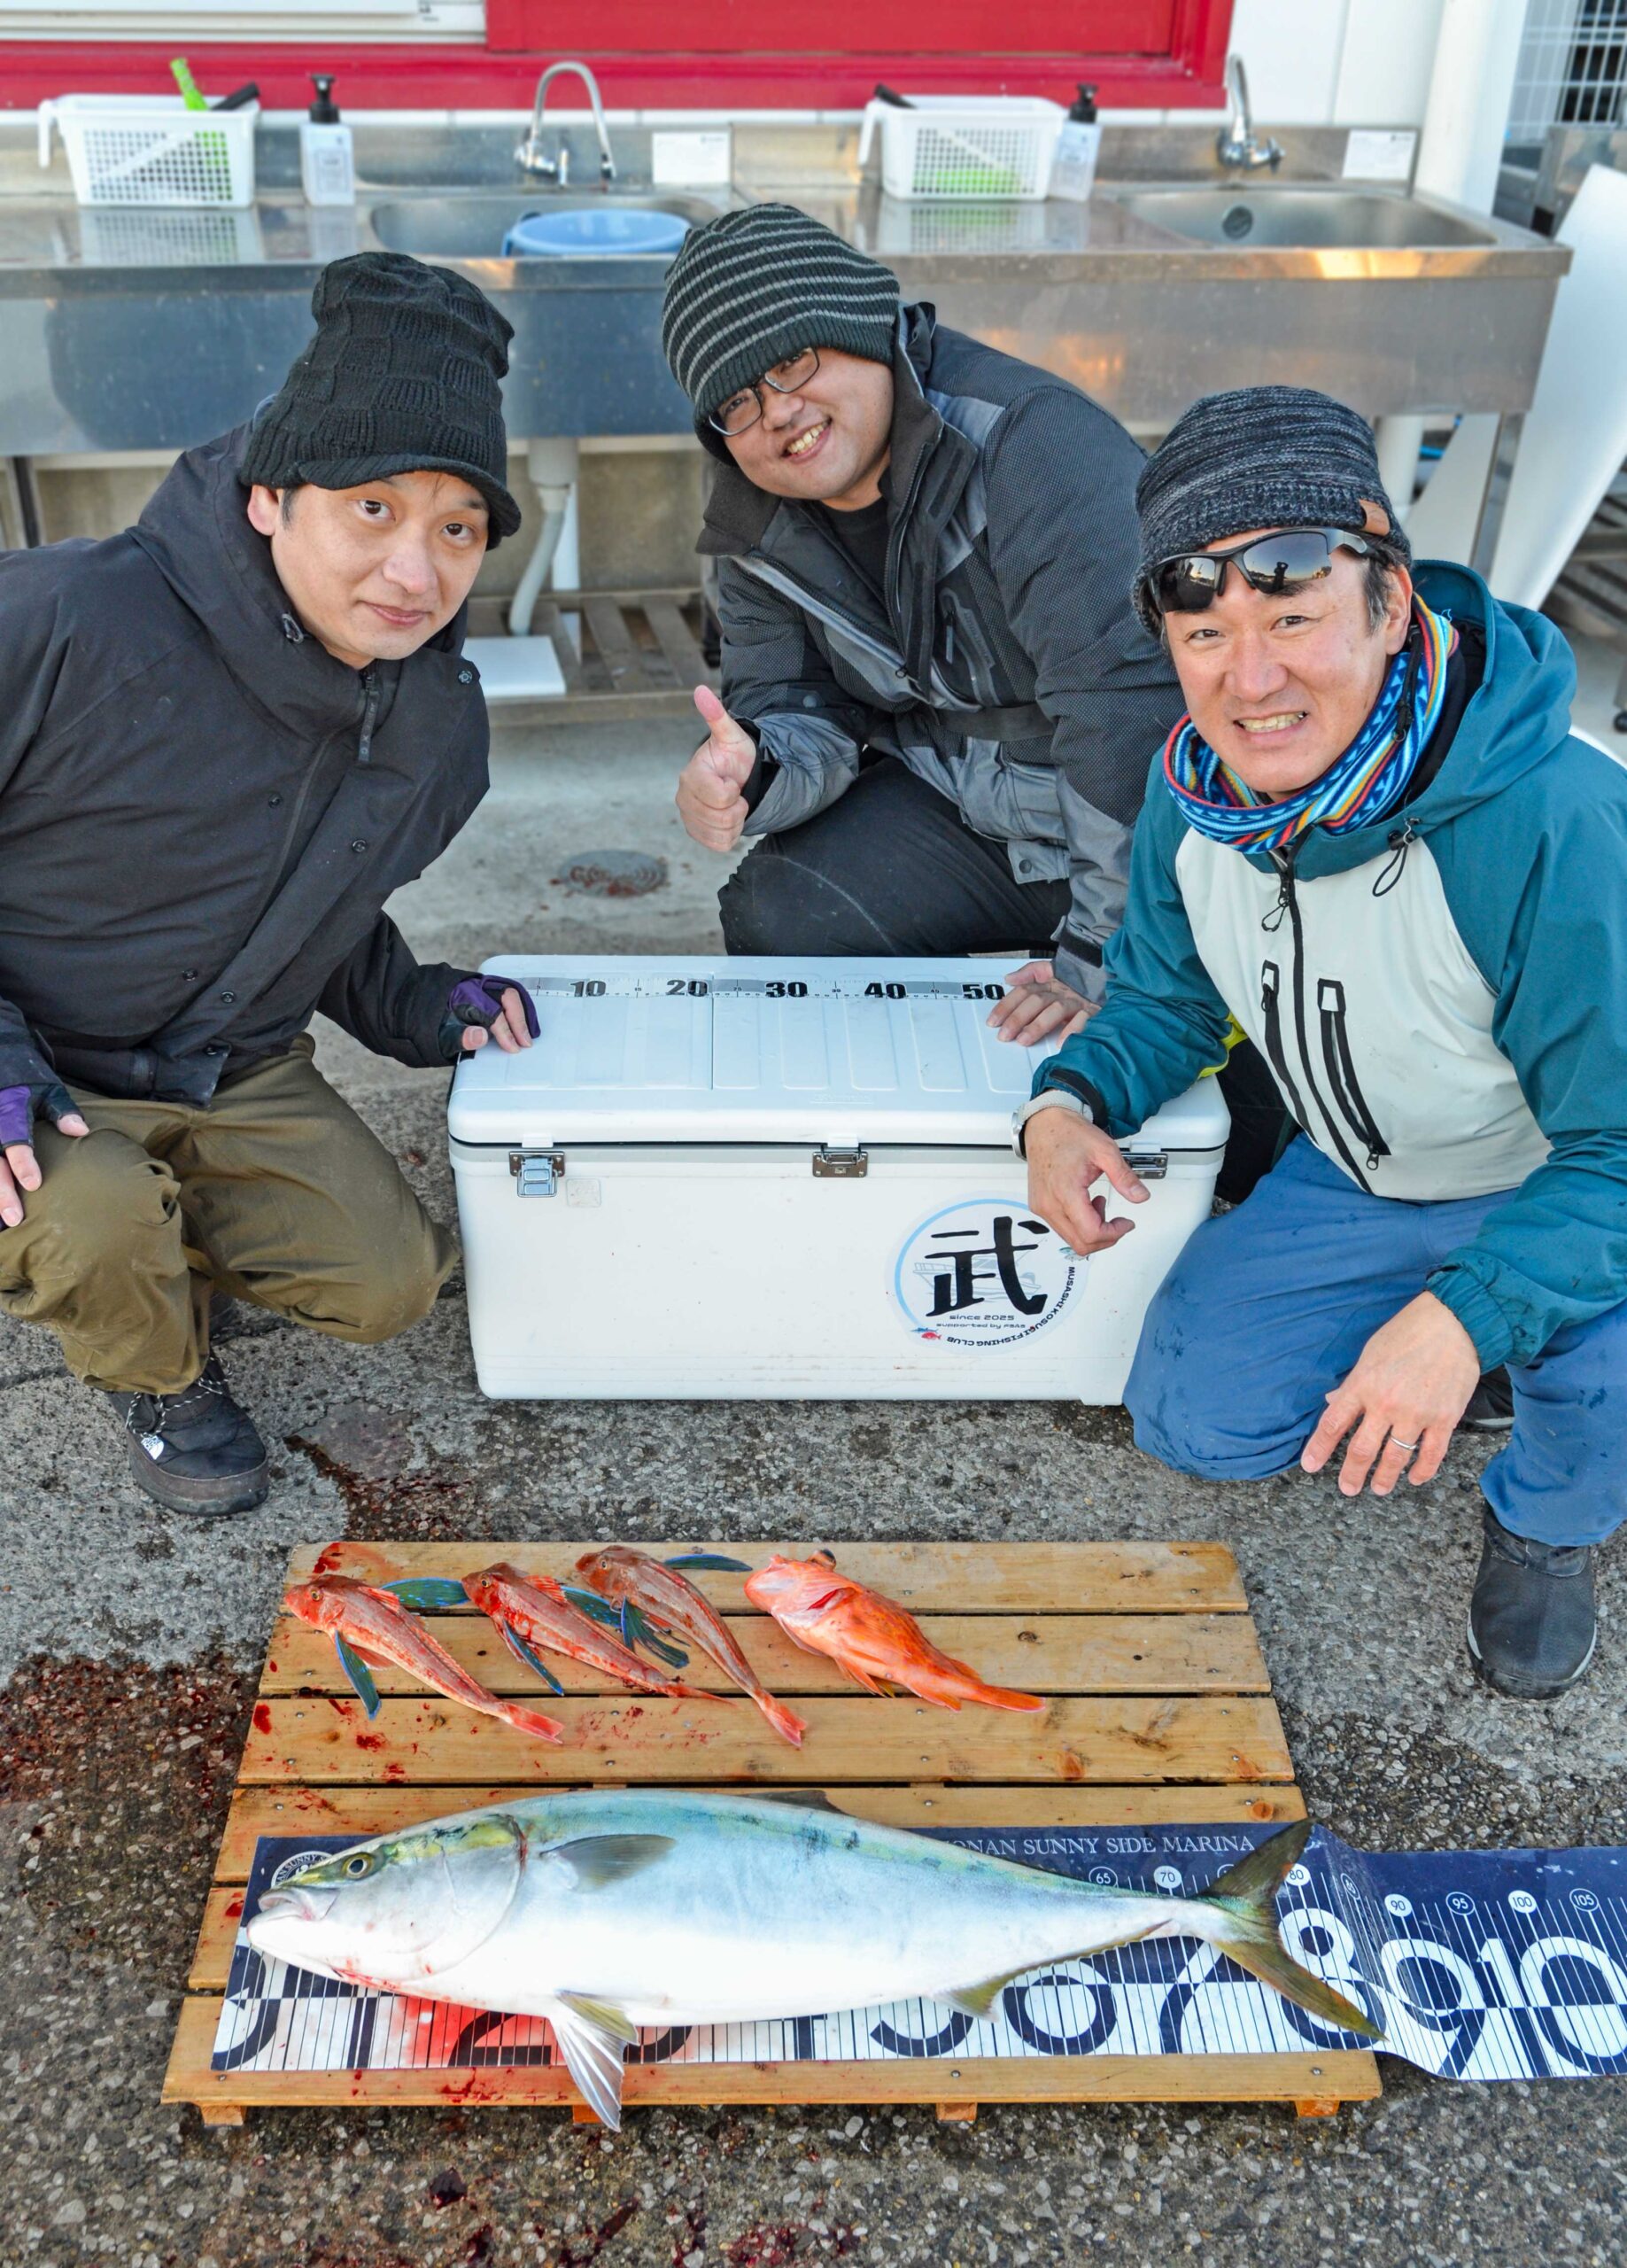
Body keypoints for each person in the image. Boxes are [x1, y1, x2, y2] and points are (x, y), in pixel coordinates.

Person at [1019, 384, 1626, 1700]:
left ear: (1391, 603)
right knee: (1199, 1422)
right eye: (1206, 633)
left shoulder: (1558, 820)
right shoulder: (1197, 797)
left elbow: (1619, 1149)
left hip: (1565, 1178)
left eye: (1292, 618)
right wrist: (1065, 1105)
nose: (1251, 681)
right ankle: (1486, 1341)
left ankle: (1549, 1516)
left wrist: (1459, 1317)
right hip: (1359, 1173)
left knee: (1598, 1368)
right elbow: (1167, 1000)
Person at [0, 252, 536, 1518]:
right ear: (268, 496)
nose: (415, 572)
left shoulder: (436, 721)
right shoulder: (65, 618)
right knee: (95, 1220)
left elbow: (319, 906)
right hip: (38, 1069)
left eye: (456, 528)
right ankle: (153, 1369)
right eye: (372, 508)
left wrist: (423, 1004)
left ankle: (151, 1238)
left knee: (388, 1282)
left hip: (223, 1064)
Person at [659, 201, 1188, 1053]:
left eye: (792, 362)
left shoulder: (1030, 446)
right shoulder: (753, 524)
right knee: (781, 912)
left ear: (865, 327)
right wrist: (751, 771)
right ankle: (889, 1115)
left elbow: (1128, 715)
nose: (778, 413)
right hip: (967, 804)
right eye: (738, 403)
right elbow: (794, 701)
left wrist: (1101, 954)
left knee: (1222, 1090)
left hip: (1147, 838)